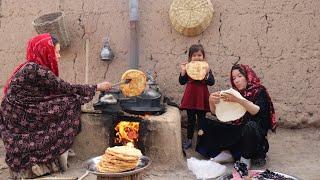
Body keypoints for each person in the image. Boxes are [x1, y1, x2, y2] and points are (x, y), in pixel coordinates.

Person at [0, 33, 112, 179]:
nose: (58, 56)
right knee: (70, 102)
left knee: (67, 100)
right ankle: (47, 150)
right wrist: (97, 87)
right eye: (56, 52)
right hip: (18, 115)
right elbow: (65, 87)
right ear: (44, 51)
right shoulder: (35, 69)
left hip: (16, 112)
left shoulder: (30, 66)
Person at [196, 64, 276, 169]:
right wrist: (211, 101)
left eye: (240, 76)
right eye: (233, 78)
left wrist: (238, 100)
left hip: (254, 137)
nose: (236, 80)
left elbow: (256, 111)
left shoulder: (259, 91)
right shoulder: (233, 93)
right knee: (204, 122)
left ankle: (245, 157)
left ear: (248, 76)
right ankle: (229, 154)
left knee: (250, 126)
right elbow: (216, 114)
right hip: (238, 133)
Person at [179, 44, 215, 149]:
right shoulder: (188, 68)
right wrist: (183, 71)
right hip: (191, 97)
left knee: (201, 120)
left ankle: (201, 141)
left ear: (203, 56)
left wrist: (208, 73)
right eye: (194, 55)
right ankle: (189, 139)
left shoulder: (206, 68)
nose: (197, 57)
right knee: (190, 120)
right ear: (190, 57)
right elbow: (182, 81)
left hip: (202, 97)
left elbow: (211, 82)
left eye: (199, 55)